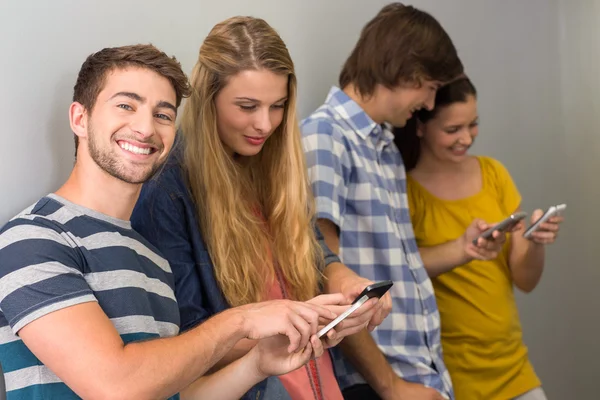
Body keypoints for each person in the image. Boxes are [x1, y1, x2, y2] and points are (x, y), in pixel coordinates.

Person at [0, 44, 343, 400]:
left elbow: (175, 394)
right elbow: (117, 386)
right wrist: (241, 320)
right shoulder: (33, 239)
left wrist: (257, 363)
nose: (146, 128)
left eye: (163, 115)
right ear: (79, 118)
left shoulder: (153, 260)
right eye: (125, 106)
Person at [131, 16, 392, 400]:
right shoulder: (167, 189)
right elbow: (188, 342)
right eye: (248, 106)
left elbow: (314, 248)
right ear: (208, 99)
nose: (265, 124)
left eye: (278, 106)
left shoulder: (275, 165)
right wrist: (294, 324)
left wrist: (348, 286)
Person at [301, 4, 511, 400]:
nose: (430, 103)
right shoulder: (325, 137)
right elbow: (323, 277)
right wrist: (390, 386)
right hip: (376, 381)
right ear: (402, 73)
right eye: (429, 87)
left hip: (419, 373)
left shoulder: (384, 146)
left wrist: (463, 248)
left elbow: (398, 263)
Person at [395, 77, 563, 400]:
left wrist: (537, 241)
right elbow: (403, 270)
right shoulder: (405, 192)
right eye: (452, 129)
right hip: (451, 378)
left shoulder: (494, 174)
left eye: (473, 125)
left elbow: (525, 280)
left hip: (514, 369)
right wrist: (461, 249)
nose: (466, 138)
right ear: (420, 126)